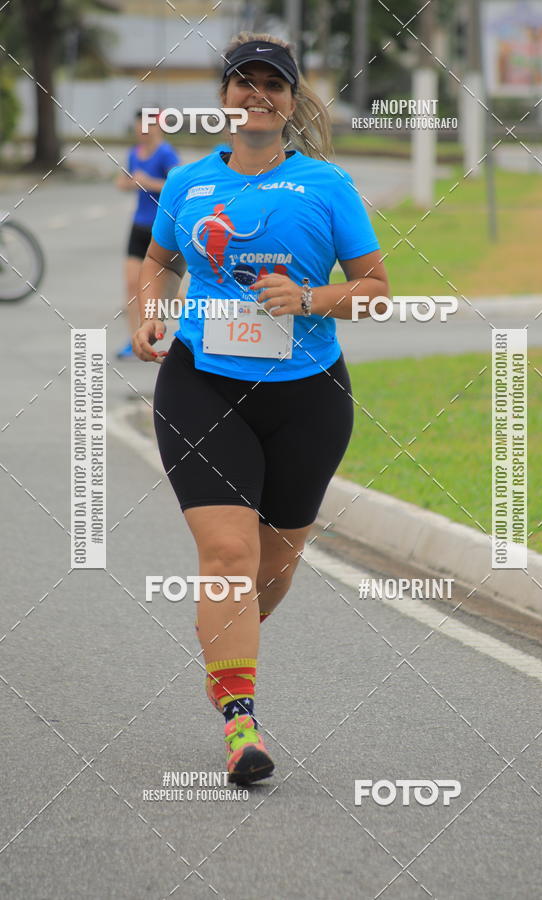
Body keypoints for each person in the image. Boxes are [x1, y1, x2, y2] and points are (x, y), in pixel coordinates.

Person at [132, 32, 389, 784]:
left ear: (290, 98)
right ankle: (241, 721)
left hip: (309, 398)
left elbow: (376, 291)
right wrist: (150, 315)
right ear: (223, 100)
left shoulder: (327, 186)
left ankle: (226, 642)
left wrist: (310, 298)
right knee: (228, 559)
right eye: (242, 83)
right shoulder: (186, 184)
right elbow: (157, 263)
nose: (255, 95)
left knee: (271, 571)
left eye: (270, 84)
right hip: (201, 384)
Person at [115, 110, 180, 358]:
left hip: (160, 229)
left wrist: (149, 182)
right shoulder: (133, 153)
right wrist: (129, 182)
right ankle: (135, 340)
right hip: (138, 226)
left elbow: (178, 186)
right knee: (132, 284)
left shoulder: (166, 153)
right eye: (139, 127)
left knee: (170, 290)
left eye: (148, 127)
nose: (143, 132)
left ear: (158, 128)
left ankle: (196, 323)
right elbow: (123, 181)